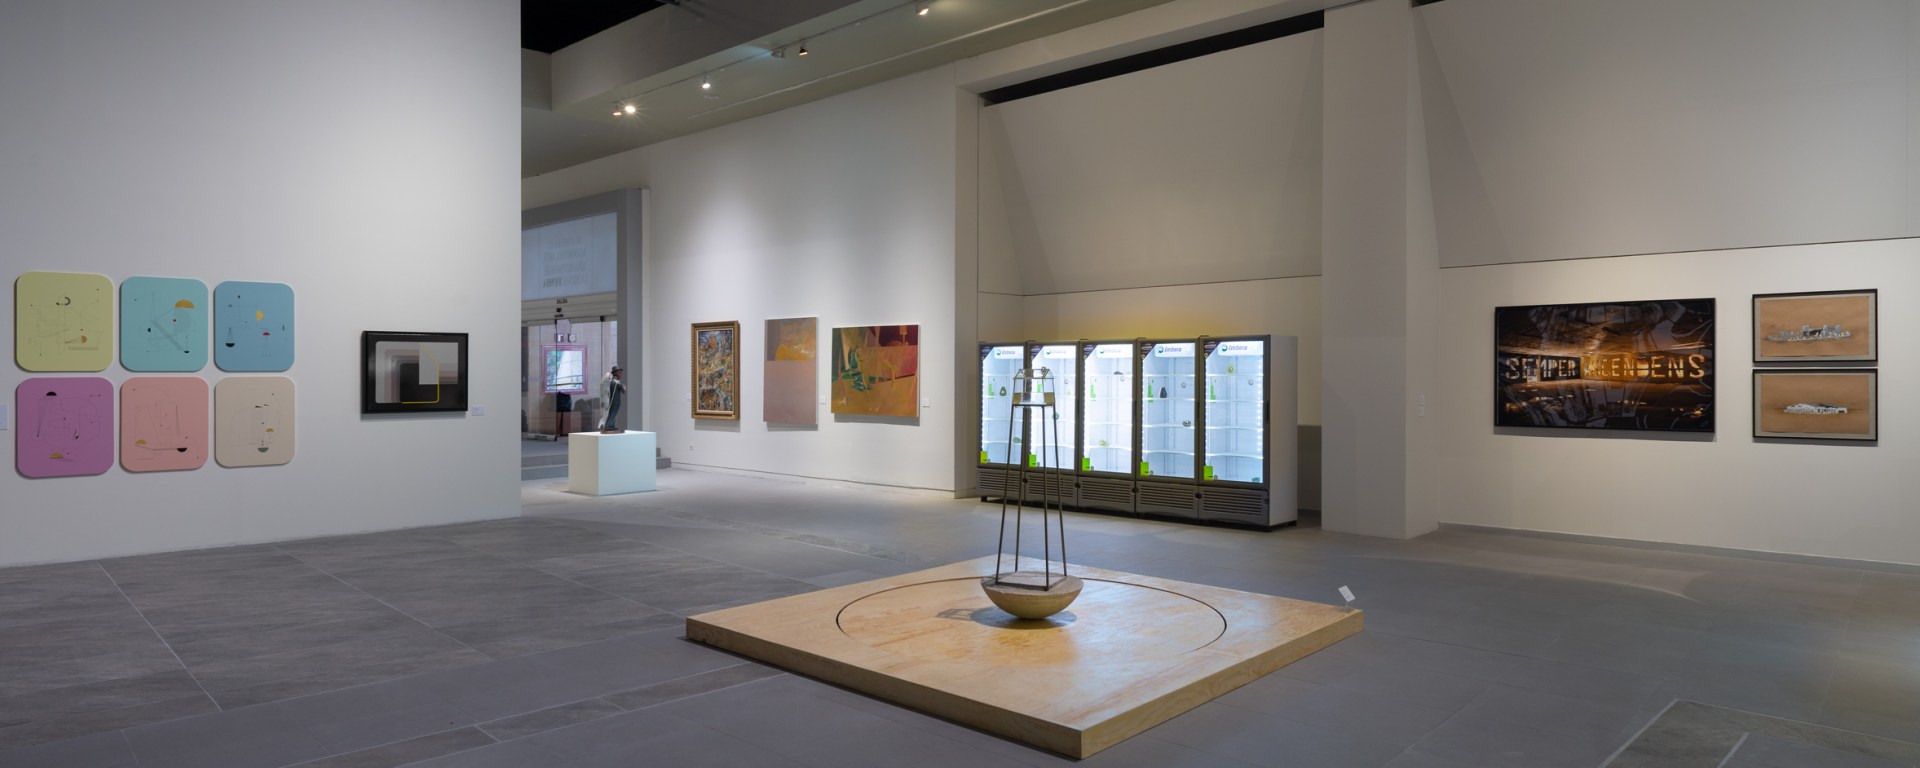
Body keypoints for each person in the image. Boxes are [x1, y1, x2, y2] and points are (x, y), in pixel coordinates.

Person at [598, 365, 625, 432]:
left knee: (612, 413)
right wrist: (624, 387)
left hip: (612, 401)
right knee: (613, 413)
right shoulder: (615, 382)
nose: (620, 374)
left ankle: (611, 425)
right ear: (615, 373)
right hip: (615, 401)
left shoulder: (611, 382)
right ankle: (608, 425)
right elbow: (623, 390)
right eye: (619, 372)